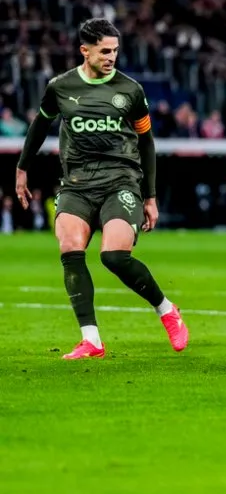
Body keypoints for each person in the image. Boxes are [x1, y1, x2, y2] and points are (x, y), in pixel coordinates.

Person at [14, 18, 189, 360]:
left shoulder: (130, 91)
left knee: (113, 256)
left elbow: (146, 142)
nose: (111, 57)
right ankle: (91, 340)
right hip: (76, 184)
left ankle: (167, 310)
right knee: (70, 247)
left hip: (120, 180)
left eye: (115, 51)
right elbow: (39, 127)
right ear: (85, 50)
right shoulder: (60, 87)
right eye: (105, 51)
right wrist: (22, 169)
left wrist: (150, 196)